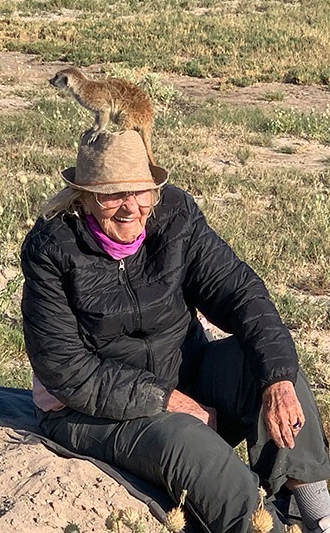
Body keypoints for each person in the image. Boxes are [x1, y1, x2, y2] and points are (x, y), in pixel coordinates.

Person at [20, 130, 330, 533]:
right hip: (88, 409)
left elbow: (240, 293)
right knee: (191, 447)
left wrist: (278, 379)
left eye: (141, 193)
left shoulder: (175, 216)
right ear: (85, 197)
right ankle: (261, 526)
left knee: (272, 375)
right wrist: (165, 399)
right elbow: (65, 369)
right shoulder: (51, 249)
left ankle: (317, 510)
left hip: (185, 373)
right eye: (113, 195)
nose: (131, 207)